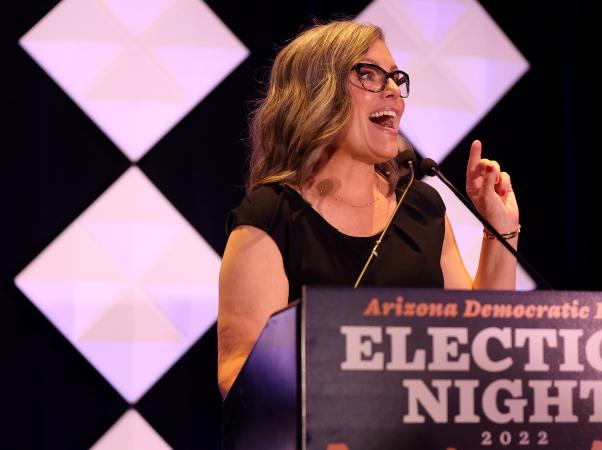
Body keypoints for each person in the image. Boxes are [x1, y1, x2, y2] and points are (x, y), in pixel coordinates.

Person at [217, 20, 521, 398]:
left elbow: (482, 343)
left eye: (395, 78)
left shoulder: (421, 208)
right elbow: (237, 375)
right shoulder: (271, 215)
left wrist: (500, 226)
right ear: (317, 92)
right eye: (369, 74)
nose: (394, 90)